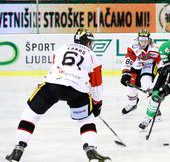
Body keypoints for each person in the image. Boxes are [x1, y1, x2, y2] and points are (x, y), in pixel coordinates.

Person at [5, 29, 111, 162]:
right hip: (77, 90)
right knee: (85, 120)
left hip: (52, 85)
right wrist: (97, 104)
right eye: (90, 42)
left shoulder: (62, 48)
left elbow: (56, 63)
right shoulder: (92, 55)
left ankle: (17, 151)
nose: (91, 45)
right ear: (87, 41)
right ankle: (91, 152)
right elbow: (96, 84)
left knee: (30, 114)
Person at [120, 29, 161, 114]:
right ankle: (132, 104)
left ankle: (154, 107)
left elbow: (159, 60)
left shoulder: (155, 48)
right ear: (138, 39)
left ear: (149, 40)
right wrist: (126, 73)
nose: (143, 43)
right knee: (130, 88)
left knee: (146, 84)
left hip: (148, 66)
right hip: (136, 67)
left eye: (145, 40)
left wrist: (161, 68)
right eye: (141, 40)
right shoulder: (133, 47)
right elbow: (128, 59)